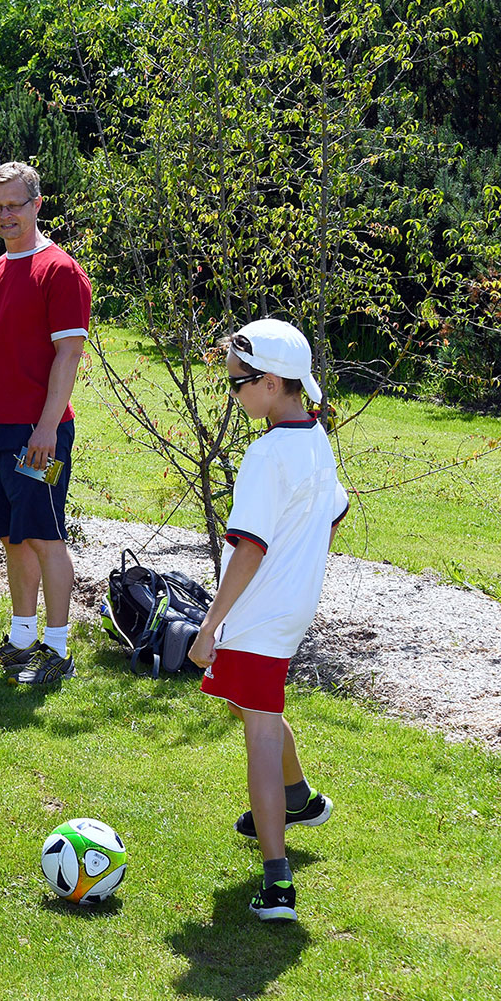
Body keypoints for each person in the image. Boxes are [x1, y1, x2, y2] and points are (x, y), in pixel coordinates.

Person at [190, 318, 347, 923]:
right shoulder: (316, 438)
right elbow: (334, 513)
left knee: (256, 727)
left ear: (275, 382)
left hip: (261, 611)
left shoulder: (266, 453)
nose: (233, 394)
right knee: (248, 704)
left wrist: (210, 625)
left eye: (239, 383)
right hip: (291, 603)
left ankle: (277, 881)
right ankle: (299, 798)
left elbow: (250, 548)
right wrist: (301, 565)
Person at [0, 161, 92, 685]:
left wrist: (47, 428)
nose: (5, 215)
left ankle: (58, 649)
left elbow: (69, 355)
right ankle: (22, 639)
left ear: (36, 204)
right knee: (14, 537)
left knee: (44, 535)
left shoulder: (61, 270)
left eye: (14, 205)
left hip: (39, 436)